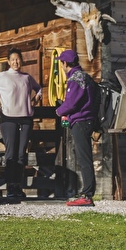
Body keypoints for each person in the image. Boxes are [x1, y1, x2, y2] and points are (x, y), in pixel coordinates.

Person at [0, 49, 42, 199]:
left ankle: (18, 185)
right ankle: (10, 186)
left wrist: (37, 98)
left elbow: (39, 89)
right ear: (8, 62)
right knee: (11, 153)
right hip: (8, 118)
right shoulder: (2, 76)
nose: (15, 62)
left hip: (26, 117)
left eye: (18, 59)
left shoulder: (26, 77)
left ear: (21, 61)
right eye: (12, 59)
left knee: (21, 153)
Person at [54, 48, 99, 207]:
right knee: (85, 157)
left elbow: (71, 103)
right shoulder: (85, 77)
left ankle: (87, 194)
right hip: (88, 120)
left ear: (65, 63)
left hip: (81, 121)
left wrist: (59, 111)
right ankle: (87, 193)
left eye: (61, 62)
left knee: (84, 158)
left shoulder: (75, 79)